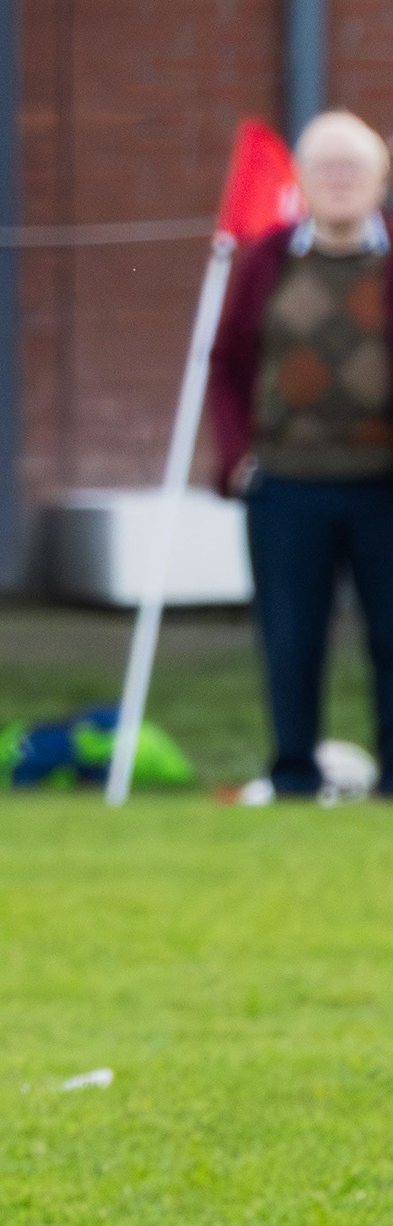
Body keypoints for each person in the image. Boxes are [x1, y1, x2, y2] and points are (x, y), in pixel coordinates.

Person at [207, 109, 393, 804]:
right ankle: (292, 774)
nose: (340, 181)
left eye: (354, 167)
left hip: (383, 485)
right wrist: (236, 458)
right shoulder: (269, 258)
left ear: (381, 177)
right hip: (286, 485)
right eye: (325, 168)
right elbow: (227, 363)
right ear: (302, 181)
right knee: (290, 639)